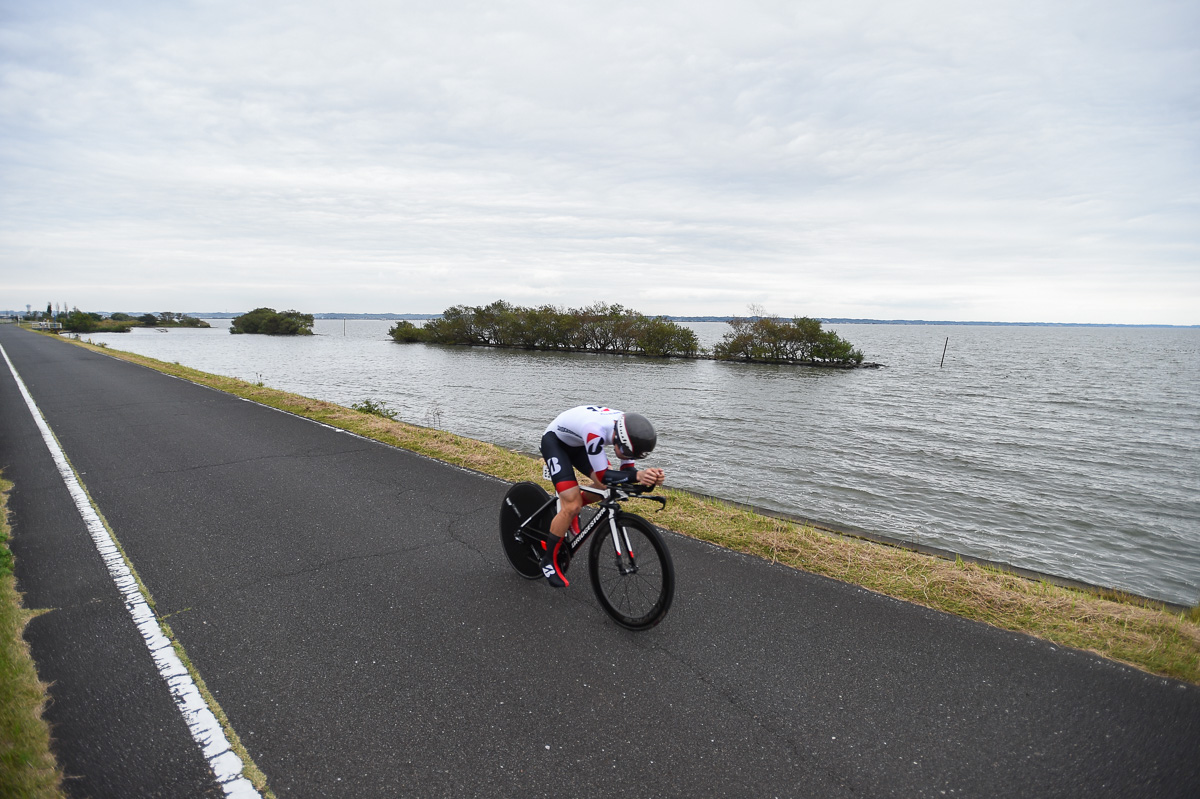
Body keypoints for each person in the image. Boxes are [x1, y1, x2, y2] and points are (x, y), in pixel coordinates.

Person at [538, 405, 665, 587]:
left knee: (605, 488)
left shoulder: (628, 429)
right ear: (619, 440)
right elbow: (603, 476)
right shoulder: (594, 429)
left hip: (580, 443)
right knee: (571, 504)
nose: (629, 457)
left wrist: (649, 478)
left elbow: (627, 470)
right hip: (556, 442)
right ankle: (548, 561)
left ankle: (573, 512)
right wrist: (637, 476)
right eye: (628, 453)